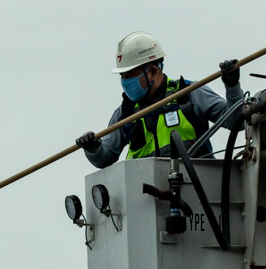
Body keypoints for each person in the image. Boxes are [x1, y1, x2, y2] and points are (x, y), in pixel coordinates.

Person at [76, 32, 244, 168]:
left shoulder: (189, 94)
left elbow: (237, 122)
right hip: (146, 199)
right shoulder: (125, 113)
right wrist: (93, 149)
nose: (125, 82)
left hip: (198, 194)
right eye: (123, 76)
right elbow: (105, 159)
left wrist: (232, 87)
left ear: (154, 72)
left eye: (131, 75)